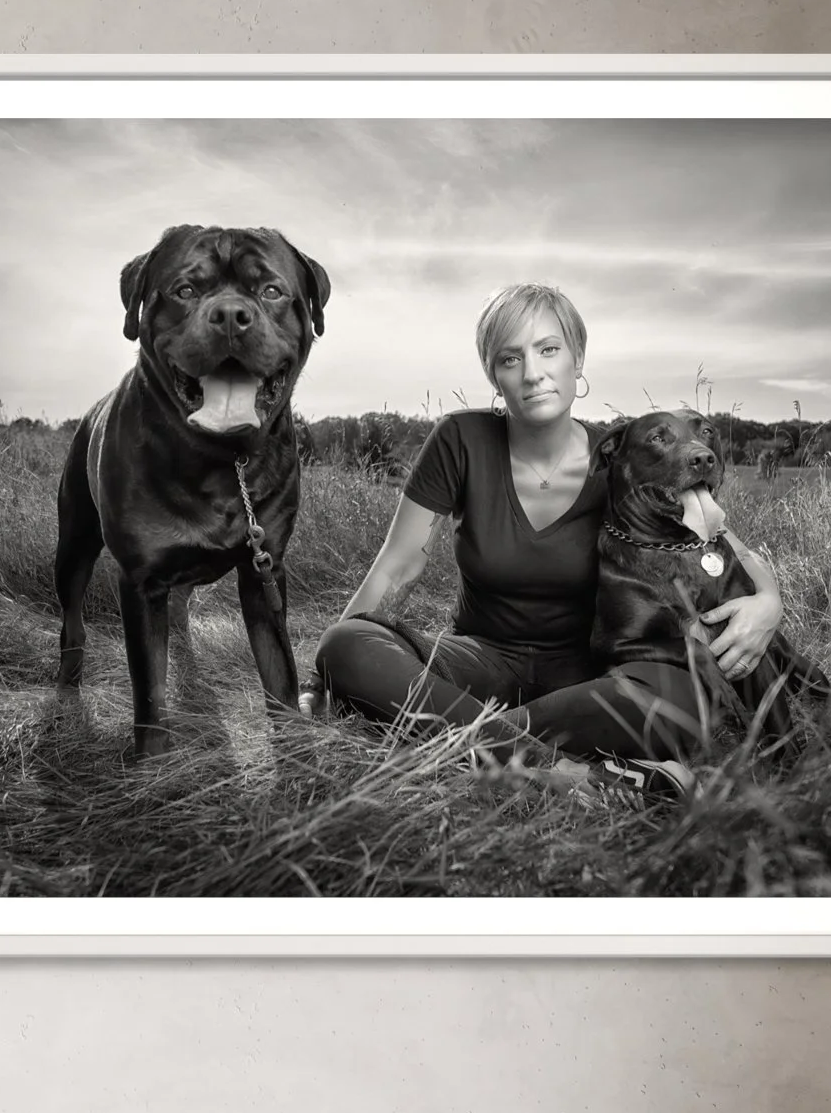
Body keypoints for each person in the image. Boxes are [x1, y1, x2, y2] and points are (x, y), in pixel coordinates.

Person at [309, 284, 785, 769]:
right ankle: (567, 771)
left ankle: (463, 738)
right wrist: (321, 678)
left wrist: (769, 602)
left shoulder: (626, 455)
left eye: (549, 350)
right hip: (479, 663)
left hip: (600, 678)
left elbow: (730, 548)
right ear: (494, 375)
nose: (533, 373)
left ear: (577, 360)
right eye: (510, 359)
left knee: (679, 695)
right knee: (346, 646)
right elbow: (397, 565)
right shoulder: (461, 439)